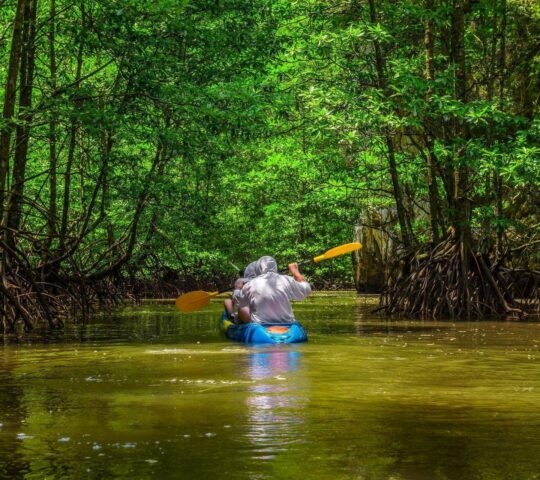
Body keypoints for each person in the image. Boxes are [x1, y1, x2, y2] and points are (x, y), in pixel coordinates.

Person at [236, 256, 311, 324]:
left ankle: (238, 325)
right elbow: (307, 290)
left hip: (260, 325)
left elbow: (238, 301)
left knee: (242, 307)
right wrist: (295, 271)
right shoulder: (287, 280)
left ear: (258, 268)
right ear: (275, 267)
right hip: (288, 323)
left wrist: (238, 289)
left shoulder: (250, 284)